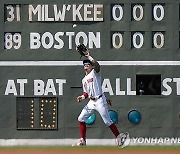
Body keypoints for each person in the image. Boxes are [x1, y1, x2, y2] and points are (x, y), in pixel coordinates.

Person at [73, 49, 127, 147]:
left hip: (100, 100)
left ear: (91, 66)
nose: (86, 65)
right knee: (81, 118)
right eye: (85, 64)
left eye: (88, 64)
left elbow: (97, 65)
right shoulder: (84, 80)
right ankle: (83, 140)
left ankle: (120, 138)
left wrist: (89, 57)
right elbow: (86, 93)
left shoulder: (95, 73)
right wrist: (81, 97)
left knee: (107, 121)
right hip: (91, 102)